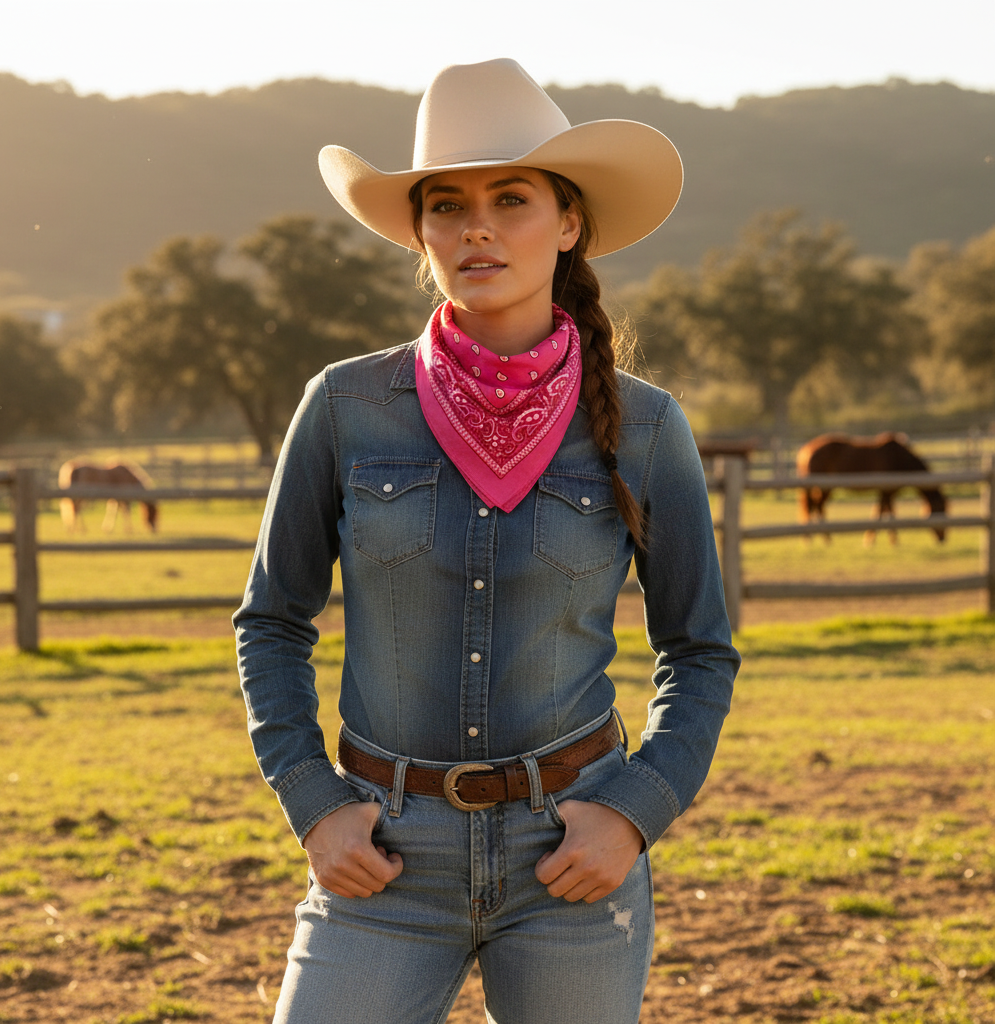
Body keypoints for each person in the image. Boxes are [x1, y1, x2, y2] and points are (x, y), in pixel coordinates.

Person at [235, 58, 740, 1024]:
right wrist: (314, 801)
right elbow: (271, 620)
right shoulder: (345, 406)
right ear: (420, 231)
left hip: (572, 859)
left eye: (512, 198)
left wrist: (635, 812)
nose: (477, 227)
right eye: (445, 205)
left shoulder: (643, 427)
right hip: (382, 858)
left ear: (569, 221)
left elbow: (698, 648)